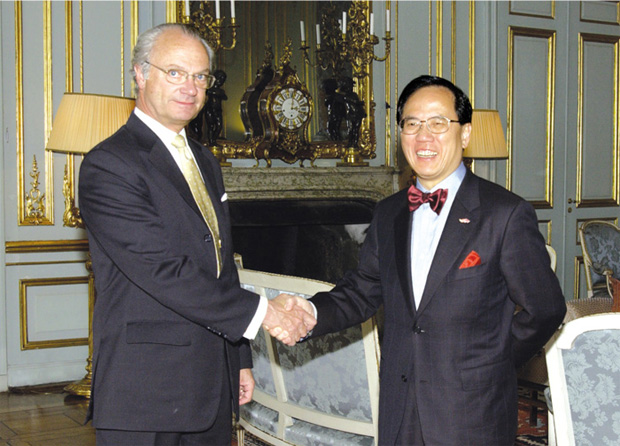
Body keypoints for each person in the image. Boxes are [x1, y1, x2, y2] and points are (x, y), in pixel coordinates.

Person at [283, 75, 566, 445]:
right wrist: (310, 312)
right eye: (411, 124)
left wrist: (493, 363)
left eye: (437, 123)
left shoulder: (505, 214)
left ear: (464, 134)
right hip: (400, 405)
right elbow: (361, 292)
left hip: (470, 409)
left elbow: (545, 308)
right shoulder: (388, 213)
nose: (423, 137)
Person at [78, 23, 315, 446]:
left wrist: (238, 357)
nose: (190, 87)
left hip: (209, 384)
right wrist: (266, 313)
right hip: (145, 393)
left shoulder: (204, 160)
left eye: (200, 76)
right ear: (139, 74)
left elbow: (222, 267)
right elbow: (163, 271)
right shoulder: (109, 165)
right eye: (174, 72)